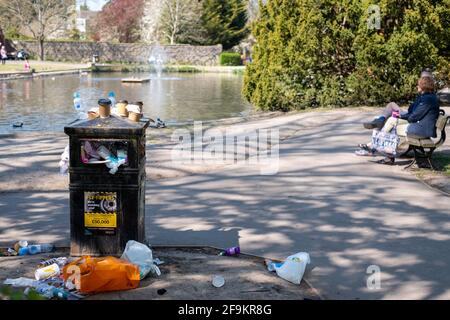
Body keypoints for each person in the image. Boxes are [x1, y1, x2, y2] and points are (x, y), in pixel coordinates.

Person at [357, 74, 440, 164]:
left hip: (419, 129)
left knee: (391, 121)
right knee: (391, 116)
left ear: (423, 86)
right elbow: (412, 110)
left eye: (418, 84)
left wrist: (400, 116)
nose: (417, 86)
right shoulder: (424, 97)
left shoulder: (427, 99)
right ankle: (375, 145)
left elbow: (414, 117)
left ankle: (374, 146)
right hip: (418, 125)